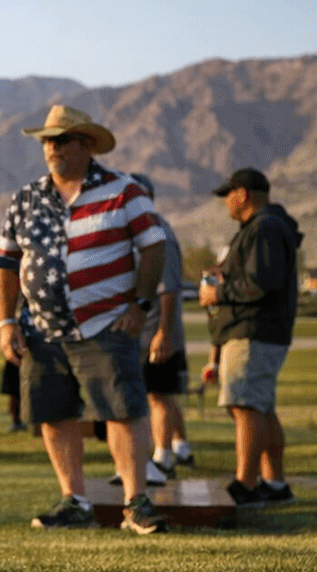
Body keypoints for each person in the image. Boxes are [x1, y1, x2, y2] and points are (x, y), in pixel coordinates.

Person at [0, 105, 167, 533]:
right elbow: (5, 264)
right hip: (41, 329)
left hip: (104, 324)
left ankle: (136, 502)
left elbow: (154, 247)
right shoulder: (26, 197)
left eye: (61, 139)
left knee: (122, 411)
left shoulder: (123, 191)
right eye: (46, 140)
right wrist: (6, 323)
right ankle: (75, 502)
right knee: (54, 414)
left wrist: (139, 305)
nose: (51, 147)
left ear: (86, 144)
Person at [198, 167, 303, 505]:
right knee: (260, 408)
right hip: (262, 331)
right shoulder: (265, 227)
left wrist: (218, 292)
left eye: (228, 194)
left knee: (244, 406)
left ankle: (246, 484)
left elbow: (260, 282)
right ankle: (274, 484)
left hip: (253, 331)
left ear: (242, 194)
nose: (226, 202)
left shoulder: (264, 227)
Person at [110, 173, 193, 484]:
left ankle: (161, 458)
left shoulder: (159, 232)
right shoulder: (130, 233)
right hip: (133, 331)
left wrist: (165, 333)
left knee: (158, 394)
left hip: (156, 329)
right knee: (137, 397)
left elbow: (169, 288)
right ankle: (144, 459)